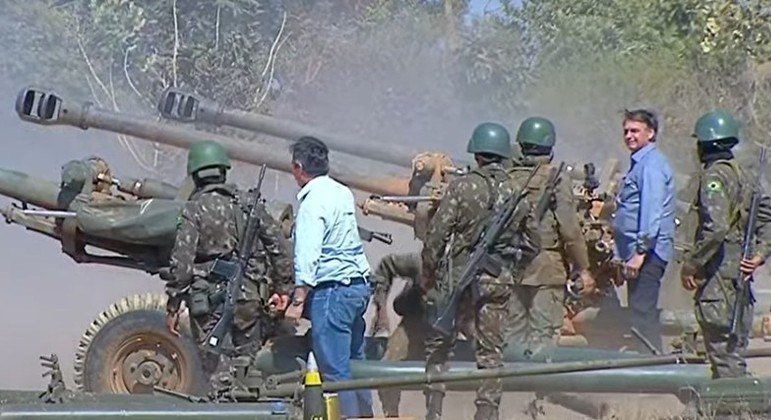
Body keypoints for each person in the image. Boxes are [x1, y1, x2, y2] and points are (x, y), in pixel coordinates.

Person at [420, 122, 541, 420]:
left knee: (440, 346)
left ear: (476, 153)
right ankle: (487, 413)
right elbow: (533, 243)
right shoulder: (517, 191)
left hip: (458, 279)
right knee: (491, 354)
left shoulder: (461, 187)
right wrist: (512, 269)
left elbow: (437, 235)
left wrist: (429, 272)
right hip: (498, 281)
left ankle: (434, 409)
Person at [164, 140, 293, 359]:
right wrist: (283, 290)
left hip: (208, 300)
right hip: (249, 298)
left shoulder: (194, 210)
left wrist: (173, 306)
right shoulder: (248, 205)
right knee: (248, 363)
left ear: (194, 176)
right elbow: (279, 248)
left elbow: (182, 265)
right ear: (224, 171)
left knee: (212, 364)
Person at [283, 136, 373, 418]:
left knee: (334, 370)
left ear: (298, 168)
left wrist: (297, 301)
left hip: (333, 292)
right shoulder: (342, 192)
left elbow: (308, 256)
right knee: (355, 363)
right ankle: (365, 415)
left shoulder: (312, 202)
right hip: (357, 287)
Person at [678, 110, 771, 378]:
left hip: (718, 276)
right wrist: (759, 255)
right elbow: (767, 218)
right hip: (739, 277)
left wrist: (691, 265)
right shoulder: (747, 176)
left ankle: (734, 401)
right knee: (734, 351)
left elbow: (716, 229)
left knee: (722, 352)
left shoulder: (715, 178)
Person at [508, 117, 593, 348]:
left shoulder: (507, 177)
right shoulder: (556, 179)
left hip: (510, 267)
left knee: (512, 339)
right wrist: (583, 268)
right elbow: (570, 230)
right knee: (543, 340)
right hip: (546, 268)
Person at [612, 109, 676, 353]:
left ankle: (650, 364)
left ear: (651, 134)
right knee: (638, 312)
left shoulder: (651, 165)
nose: (629, 135)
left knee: (642, 313)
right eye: (626, 131)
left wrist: (640, 252)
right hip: (637, 253)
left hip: (648, 254)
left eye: (635, 131)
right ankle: (646, 359)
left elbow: (651, 212)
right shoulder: (639, 164)